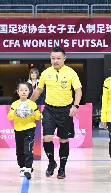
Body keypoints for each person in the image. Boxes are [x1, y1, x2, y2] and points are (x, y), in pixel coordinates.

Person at [30, 46, 82, 180]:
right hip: (49, 110)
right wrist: (29, 103)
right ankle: (51, 162)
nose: (55, 61)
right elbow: (38, 90)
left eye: (58, 58)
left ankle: (62, 168)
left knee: (63, 139)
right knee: (47, 138)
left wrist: (75, 106)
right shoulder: (45, 73)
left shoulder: (71, 73)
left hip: (66, 111)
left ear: (64, 58)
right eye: (53, 58)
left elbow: (78, 90)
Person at [8, 82, 41, 180]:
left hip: (29, 128)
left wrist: (34, 113)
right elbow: (9, 117)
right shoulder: (15, 104)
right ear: (17, 92)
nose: (23, 92)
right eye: (21, 90)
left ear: (29, 91)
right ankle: (22, 167)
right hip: (18, 129)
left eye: (26, 90)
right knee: (20, 149)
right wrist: (14, 113)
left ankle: (28, 168)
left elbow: (38, 116)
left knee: (28, 149)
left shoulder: (32, 104)